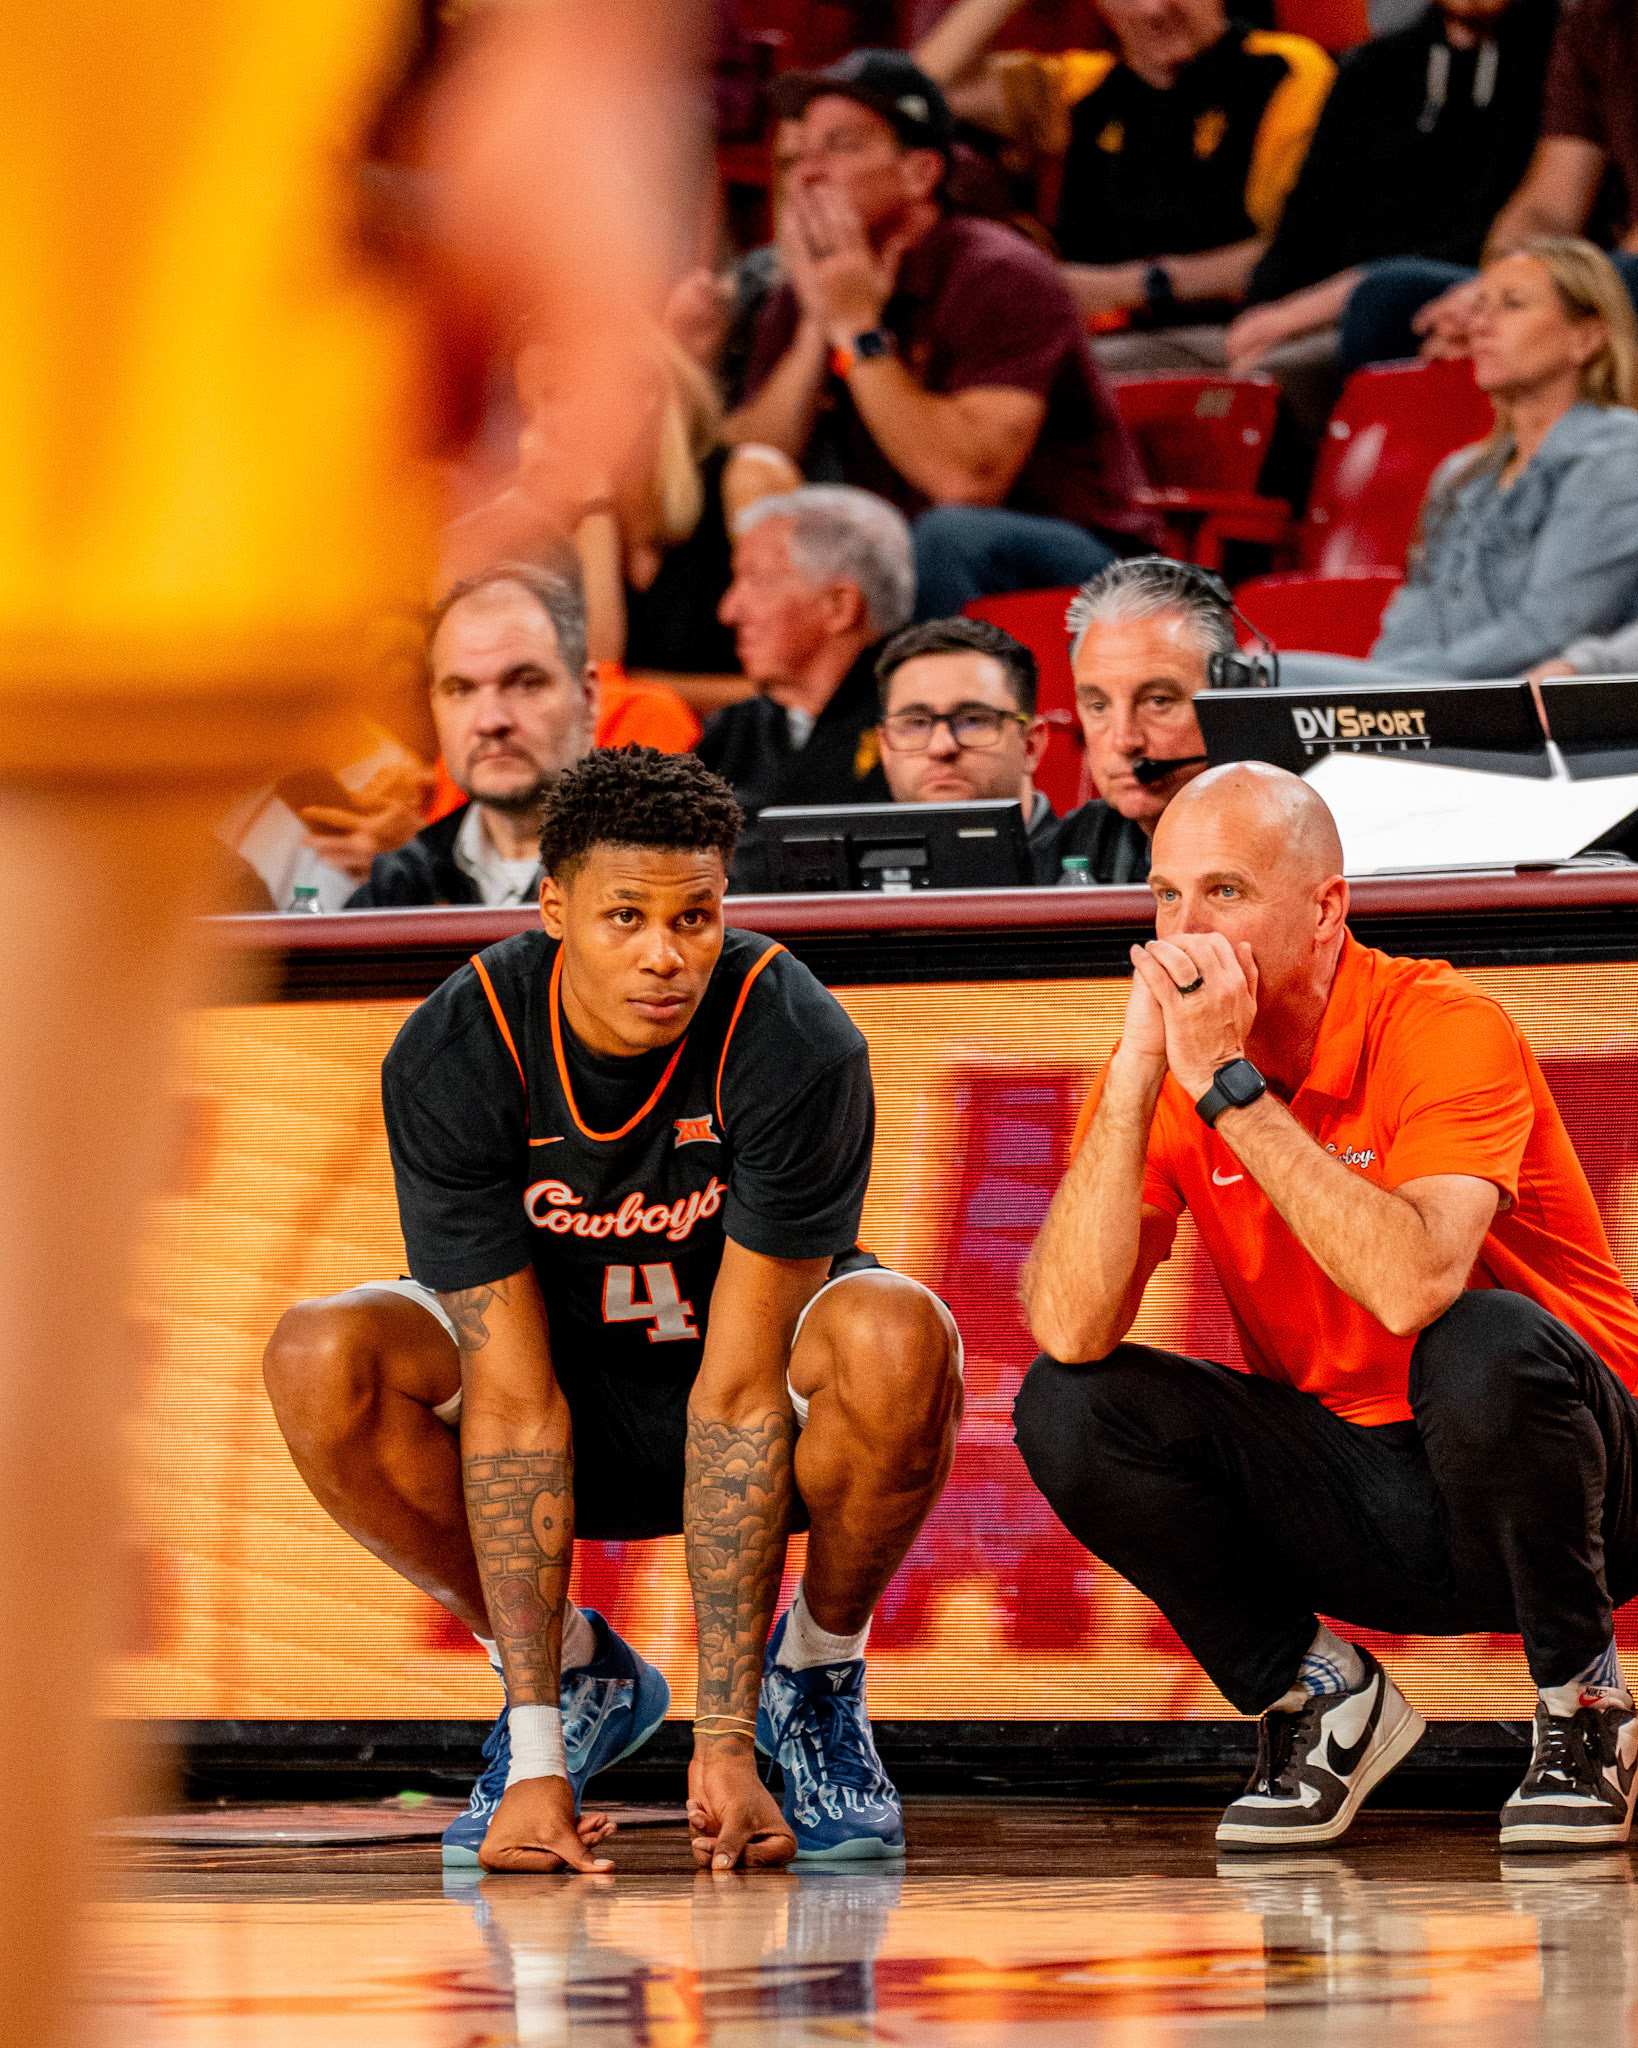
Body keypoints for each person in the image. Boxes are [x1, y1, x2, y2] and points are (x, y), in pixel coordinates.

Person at [262, 747, 964, 1873]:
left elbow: (737, 1402)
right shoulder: (459, 1046)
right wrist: (539, 1752)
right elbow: (511, 1397)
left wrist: (723, 1744)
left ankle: (815, 1681)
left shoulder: (792, 1034)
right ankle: (572, 1677)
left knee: (896, 1330)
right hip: (552, 1396)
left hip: (737, 1397)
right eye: (624, 915)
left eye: (695, 917)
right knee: (320, 1352)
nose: (664, 953)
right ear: (551, 907)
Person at [1017, 762, 1638, 1850]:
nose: (1185, 932)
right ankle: (1323, 1697)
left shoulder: (1443, 1022)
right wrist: (1133, 1073)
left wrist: (1231, 1093)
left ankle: (1586, 1709)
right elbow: (1072, 1324)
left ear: (1325, 910)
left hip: (1587, 1485)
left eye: (1224, 893)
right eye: (1166, 896)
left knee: (1479, 1341)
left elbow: (1413, 1287)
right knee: (1068, 1403)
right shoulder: (1177, 1068)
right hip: (1370, 1490)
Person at [724, 49, 1159, 616]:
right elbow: (756, 455)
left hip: (1086, 567)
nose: (808, 173)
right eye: (800, 154)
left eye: (840, 146)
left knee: (944, 535)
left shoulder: (1001, 273)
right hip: (912, 550)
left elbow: (966, 480)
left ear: (920, 172)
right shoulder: (811, 285)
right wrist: (816, 326)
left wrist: (858, 329)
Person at [1278, 239, 1638, 689]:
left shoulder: (1618, 455)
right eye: (1480, 305)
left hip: (1519, 703)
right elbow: (1415, 614)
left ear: (1587, 338)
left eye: (1512, 305)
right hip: (1431, 690)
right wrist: (1380, 692)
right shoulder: (1463, 472)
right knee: (1235, 678)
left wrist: (1392, 687)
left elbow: (1548, 630)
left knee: (1257, 679)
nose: (1480, 326)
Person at [1220, 0, 1556, 442]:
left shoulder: (1555, 61)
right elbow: (1307, 219)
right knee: (1210, 379)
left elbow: (1509, 227)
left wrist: (1321, 305)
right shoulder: (1373, 66)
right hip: (1320, 307)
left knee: (1282, 377)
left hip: (1446, 292)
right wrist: (1265, 310)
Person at [919, 0, 1333, 357]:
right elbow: (918, 94)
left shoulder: (1284, 70)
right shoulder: (1082, 87)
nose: (1153, 9)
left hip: (1235, 333)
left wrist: (1129, 287)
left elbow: (1300, 251)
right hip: (1096, 335)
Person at [1342, 0, 1638, 371]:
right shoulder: (1593, 19)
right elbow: (1548, 205)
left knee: (1627, 280)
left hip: (1625, 269)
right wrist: (1494, 293)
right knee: (1386, 302)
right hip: (1604, 269)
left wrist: (1539, 290)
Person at [701, 485, 914, 890]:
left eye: (757, 581)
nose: (728, 611)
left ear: (839, 606)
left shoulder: (919, 727)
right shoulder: (731, 734)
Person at [347, 568, 595, 909]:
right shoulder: (398, 887)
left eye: (525, 683)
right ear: (434, 705)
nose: (491, 721)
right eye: (461, 690)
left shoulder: (670, 869)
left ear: (588, 696)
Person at [1033, 555, 1220, 885]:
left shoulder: (1294, 844)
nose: (1125, 741)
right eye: (1099, 706)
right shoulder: (1067, 849)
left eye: (1158, 701)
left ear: (1233, 692)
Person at [873, 618, 1053, 851]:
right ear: (885, 748)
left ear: (1030, 745)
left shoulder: (1097, 873)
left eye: (973, 720)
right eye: (916, 723)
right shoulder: (854, 884)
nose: (941, 747)